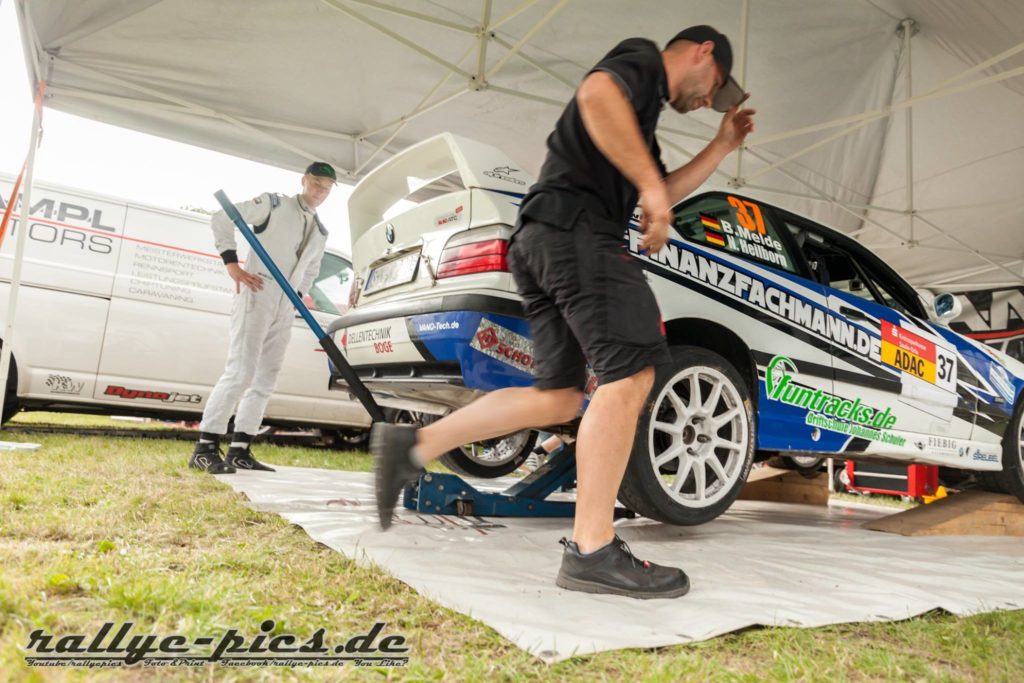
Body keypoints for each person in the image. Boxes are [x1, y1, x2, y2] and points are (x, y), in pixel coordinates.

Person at [371, 25, 755, 598]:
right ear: (703, 53)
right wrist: (648, 190)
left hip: (540, 241)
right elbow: (596, 95)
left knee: (558, 396)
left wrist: (720, 146)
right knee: (632, 372)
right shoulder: (641, 62)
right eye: (714, 88)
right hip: (578, 236)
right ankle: (592, 550)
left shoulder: (639, 127)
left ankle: (414, 447)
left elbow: (662, 186)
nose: (706, 102)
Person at [189, 162, 336, 474]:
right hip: (257, 292)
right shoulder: (275, 205)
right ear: (304, 180)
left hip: (286, 304)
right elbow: (221, 218)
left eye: (326, 187)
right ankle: (205, 447)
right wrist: (232, 265)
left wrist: (298, 295)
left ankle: (240, 448)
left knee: (267, 377)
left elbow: (311, 269)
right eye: (316, 184)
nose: (320, 192)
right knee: (240, 370)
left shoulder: (321, 231)